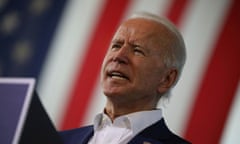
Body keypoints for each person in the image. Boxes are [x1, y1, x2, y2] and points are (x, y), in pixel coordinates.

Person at [60, 12, 191, 144]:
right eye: (116, 46)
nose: (118, 56)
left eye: (137, 50)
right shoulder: (57, 139)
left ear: (167, 79)